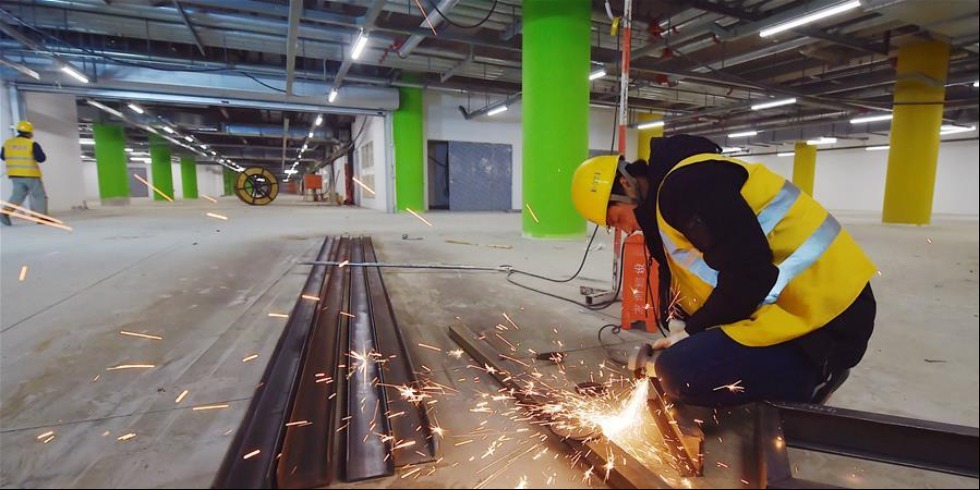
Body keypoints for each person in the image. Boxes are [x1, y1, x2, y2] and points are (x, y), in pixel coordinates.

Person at [571, 134, 877, 407]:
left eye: (617, 220)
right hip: (793, 314)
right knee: (681, 359)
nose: (624, 230)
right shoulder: (671, 202)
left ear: (626, 186)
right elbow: (695, 276)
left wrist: (692, 332)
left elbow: (750, 275)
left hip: (830, 322)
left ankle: (813, 381)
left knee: (681, 372)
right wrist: (680, 322)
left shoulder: (686, 187)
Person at [2, 120, 48, 226]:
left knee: (17, 196)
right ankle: (42, 218)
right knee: (39, 195)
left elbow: (3, 156)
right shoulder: (31, 143)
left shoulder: (8, 143)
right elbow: (41, 159)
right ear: (29, 132)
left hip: (14, 175)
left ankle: (4, 213)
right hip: (31, 174)